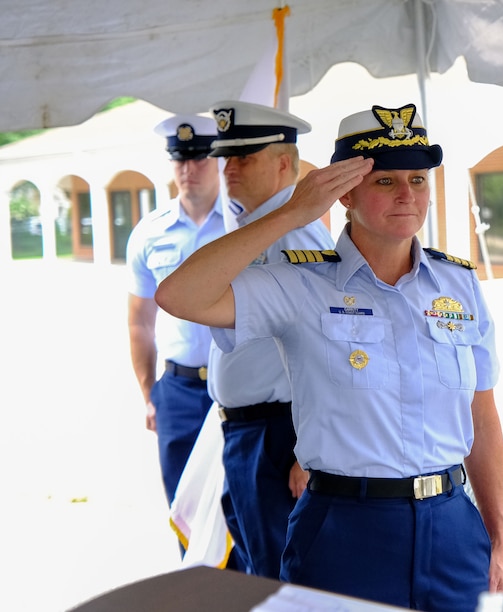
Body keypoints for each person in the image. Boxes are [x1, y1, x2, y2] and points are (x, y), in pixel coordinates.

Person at [156, 103, 503, 611]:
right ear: (345, 193)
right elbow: (178, 295)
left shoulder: (458, 284)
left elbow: (482, 410)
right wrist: (290, 214)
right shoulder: (302, 282)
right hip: (345, 527)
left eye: (418, 178)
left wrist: (497, 535)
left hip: (452, 524)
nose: (407, 194)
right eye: (385, 181)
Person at [204, 100, 334, 578]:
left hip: (278, 436)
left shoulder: (296, 239)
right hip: (251, 431)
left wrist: (306, 449)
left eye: (245, 157)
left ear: (284, 163)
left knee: (277, 578)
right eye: (227, 157)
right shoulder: (256, 229)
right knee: (258, 568)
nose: (230, 168)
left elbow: (327, 351)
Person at [127, 114, 225, 512]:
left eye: (200, 157)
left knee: (242, 514)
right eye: (180, 159)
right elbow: (139, 321)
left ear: (218, 159)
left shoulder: (244, 225)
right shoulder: (151, 232)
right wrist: (150, 393)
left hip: (238, 388)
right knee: (185, 507)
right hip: (179, 393)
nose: (189, 169)